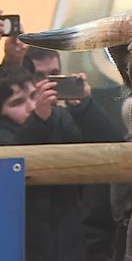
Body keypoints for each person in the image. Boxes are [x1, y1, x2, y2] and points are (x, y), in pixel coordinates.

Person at [22, 46, 127, 261]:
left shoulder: (63, 116)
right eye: (39, 76)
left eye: (54, 75)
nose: (48, 83)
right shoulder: (12, 108)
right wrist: (38, 118)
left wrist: (83, 106)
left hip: (69, 236)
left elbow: (112, 145)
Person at [0, 64, 90, 260]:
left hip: (70, 242)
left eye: (33, 96)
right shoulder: (8, 131)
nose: (32, 106)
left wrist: (84, 106)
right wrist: (39, 119)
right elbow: (13, 155)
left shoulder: (58, 118)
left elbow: (103, 142)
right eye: (17, 103)